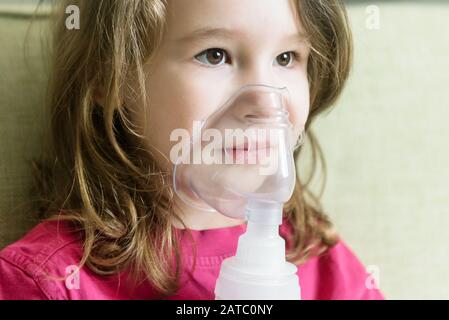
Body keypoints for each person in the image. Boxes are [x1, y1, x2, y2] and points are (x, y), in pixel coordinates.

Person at [0, 0, 383, 300]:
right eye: (215, 55)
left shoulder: (320, 261)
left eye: (286, 58)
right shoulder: (49, 282)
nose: (267, 103)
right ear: (112, 77)